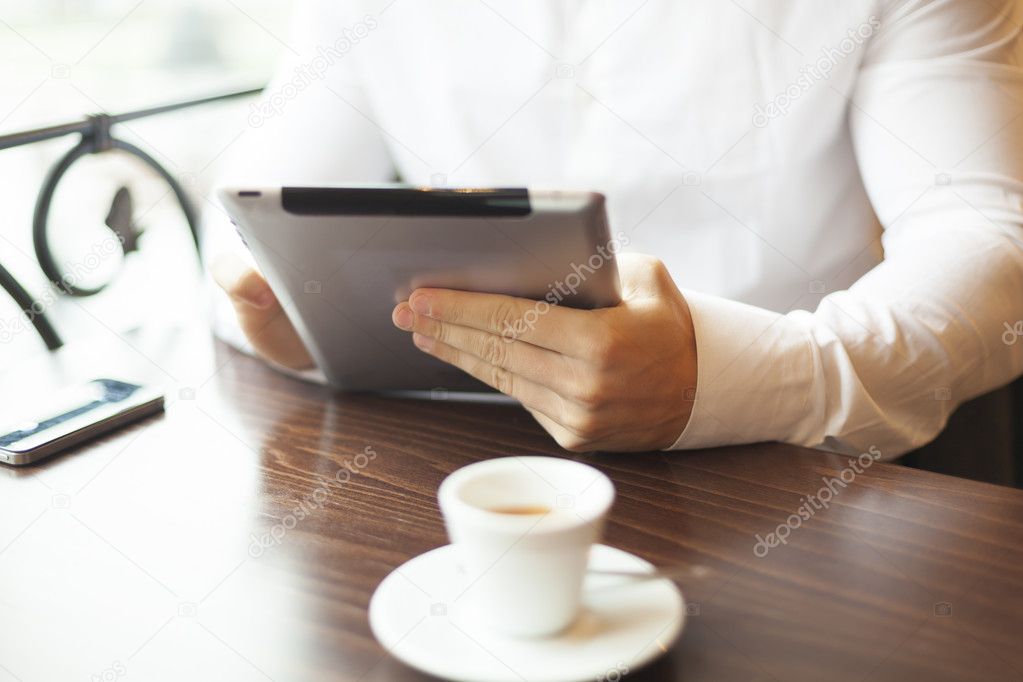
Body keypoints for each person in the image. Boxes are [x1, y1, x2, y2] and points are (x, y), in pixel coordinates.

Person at [207, 0, 1023, 457]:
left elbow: (989, 237)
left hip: (817, 471)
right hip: (472, 465)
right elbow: (244, 213)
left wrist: (748, 380)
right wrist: (314, 332)